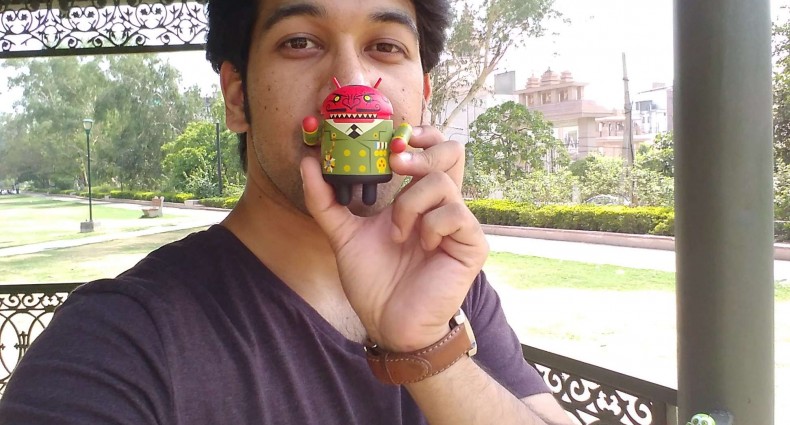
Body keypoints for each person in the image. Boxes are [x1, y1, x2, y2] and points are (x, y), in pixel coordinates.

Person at [0, 1, 573, 424]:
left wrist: (427, 349)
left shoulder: (449, 287)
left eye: (385, 47)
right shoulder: (122, 339)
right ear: (237, 97)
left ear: (422, 95)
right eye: (300, 42)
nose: (353, 83)